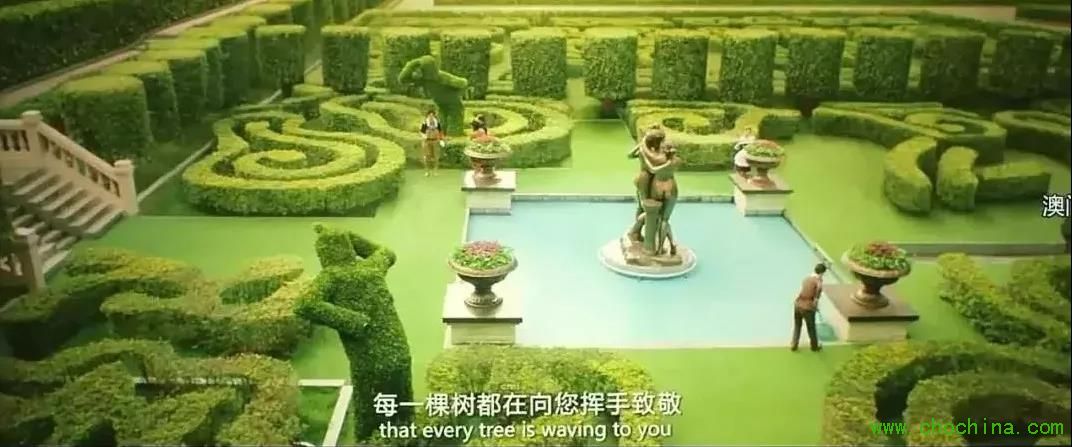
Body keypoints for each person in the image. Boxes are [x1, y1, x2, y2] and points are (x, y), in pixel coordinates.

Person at [792, 263, 826, 352]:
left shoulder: (806, 279)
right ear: (822, 273)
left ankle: (794, 344)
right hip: (807, 308)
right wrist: (815, 307)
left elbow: (805, 291)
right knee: (811, 328)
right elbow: (816, 298)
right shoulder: (818, 283)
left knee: (797, 326)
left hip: (798, 304)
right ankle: (814, 347)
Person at [419, 109, 442, 176]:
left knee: (436, 157)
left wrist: (441, 139)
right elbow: (421, 132)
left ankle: (435, 171)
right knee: (426, 156)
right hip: (427, 141)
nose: (431, 116)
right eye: (430, 115)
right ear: (428, 115)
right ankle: (427, 171)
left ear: (434, 115)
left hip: (435, 141)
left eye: (432, 115)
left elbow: (440, 131)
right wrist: (424, 136)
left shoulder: (437, 122)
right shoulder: (425, 122)